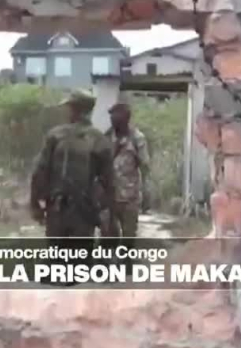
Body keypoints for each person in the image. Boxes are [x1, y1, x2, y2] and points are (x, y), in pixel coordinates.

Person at [29, 89, 115, 283]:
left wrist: (35, 203)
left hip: (57, 209)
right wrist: (109, 218)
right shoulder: (100, 140)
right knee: (79, 266)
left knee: (56, 262)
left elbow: (40, 172)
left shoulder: (56, 135)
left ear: (75, 109)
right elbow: (109, 183)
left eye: (69, 107)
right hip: (84, 212)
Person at [102, 102, 151, 251]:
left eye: (115, 116)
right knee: (107, 238)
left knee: (129, 238)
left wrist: (146, 192)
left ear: (125, 118)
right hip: (108, 197)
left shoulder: (137, 138)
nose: (112, 119)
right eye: (111, 116)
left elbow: (145, 166)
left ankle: (126, 263)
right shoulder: (106, 137)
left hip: (129, 197)